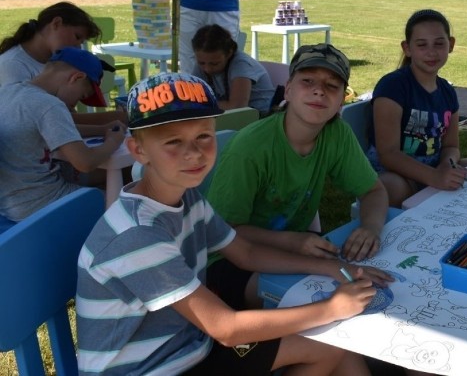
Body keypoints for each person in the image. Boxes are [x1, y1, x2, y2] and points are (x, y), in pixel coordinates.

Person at [76, 72, 390, 376]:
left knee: (330, 346)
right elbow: (225, 328)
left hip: (188, 349)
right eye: (173, 142)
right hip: (152, 368)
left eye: (203, 136)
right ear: (138, 150)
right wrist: (331, 309)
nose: (194, 153)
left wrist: (330, 267)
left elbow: (246, 254)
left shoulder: (187, 199)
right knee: (327, 335)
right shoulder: (137, 234)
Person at [205, 43, 390, 282]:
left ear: (341, 101)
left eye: (332, 85)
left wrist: (371, 228)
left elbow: (373, 190)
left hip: (296, 244)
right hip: (230, 258)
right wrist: (293, 241)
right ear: (288, 90)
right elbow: (225, 232)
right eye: (308, 81)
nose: (319, 91)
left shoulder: (337, 134)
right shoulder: (250, 148)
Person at [0, 47, 126, 223]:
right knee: (124, 203)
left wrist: (102, 129)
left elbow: (57, 129)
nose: (76, 103)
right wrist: (113, 141)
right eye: (82, 95)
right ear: (76, 77)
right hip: (43, 205)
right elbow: (85, 162)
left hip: (10, 207)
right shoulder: (49, 105)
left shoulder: (8, 92)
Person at [367, 9, 467, 208]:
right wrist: (435, 177)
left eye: (439, 44)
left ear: (451, 44)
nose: (431, 52)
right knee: (391, 187)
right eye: (422, 45)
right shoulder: (392, 86)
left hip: (433, 168)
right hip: (393, 173)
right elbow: (388, 154)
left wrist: (446, 165)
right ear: (407, 48)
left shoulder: (448, 92)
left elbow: (451, 147)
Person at [0, 1, 127, 132]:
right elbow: (48, 121)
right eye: (77, 37)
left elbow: (67, 115)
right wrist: (115, 118)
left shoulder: (56, 63)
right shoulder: (13, 65)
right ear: (56, 23)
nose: (77, 47)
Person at [191, 23, 275, 114]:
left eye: (214, 64)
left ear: (229, 53)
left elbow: (237, 107)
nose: (207, 69)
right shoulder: (205, 61)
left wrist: (200, 104)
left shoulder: (241, 65)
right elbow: (191, 97)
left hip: (260, 117)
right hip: (229, 117)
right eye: (201, 63)